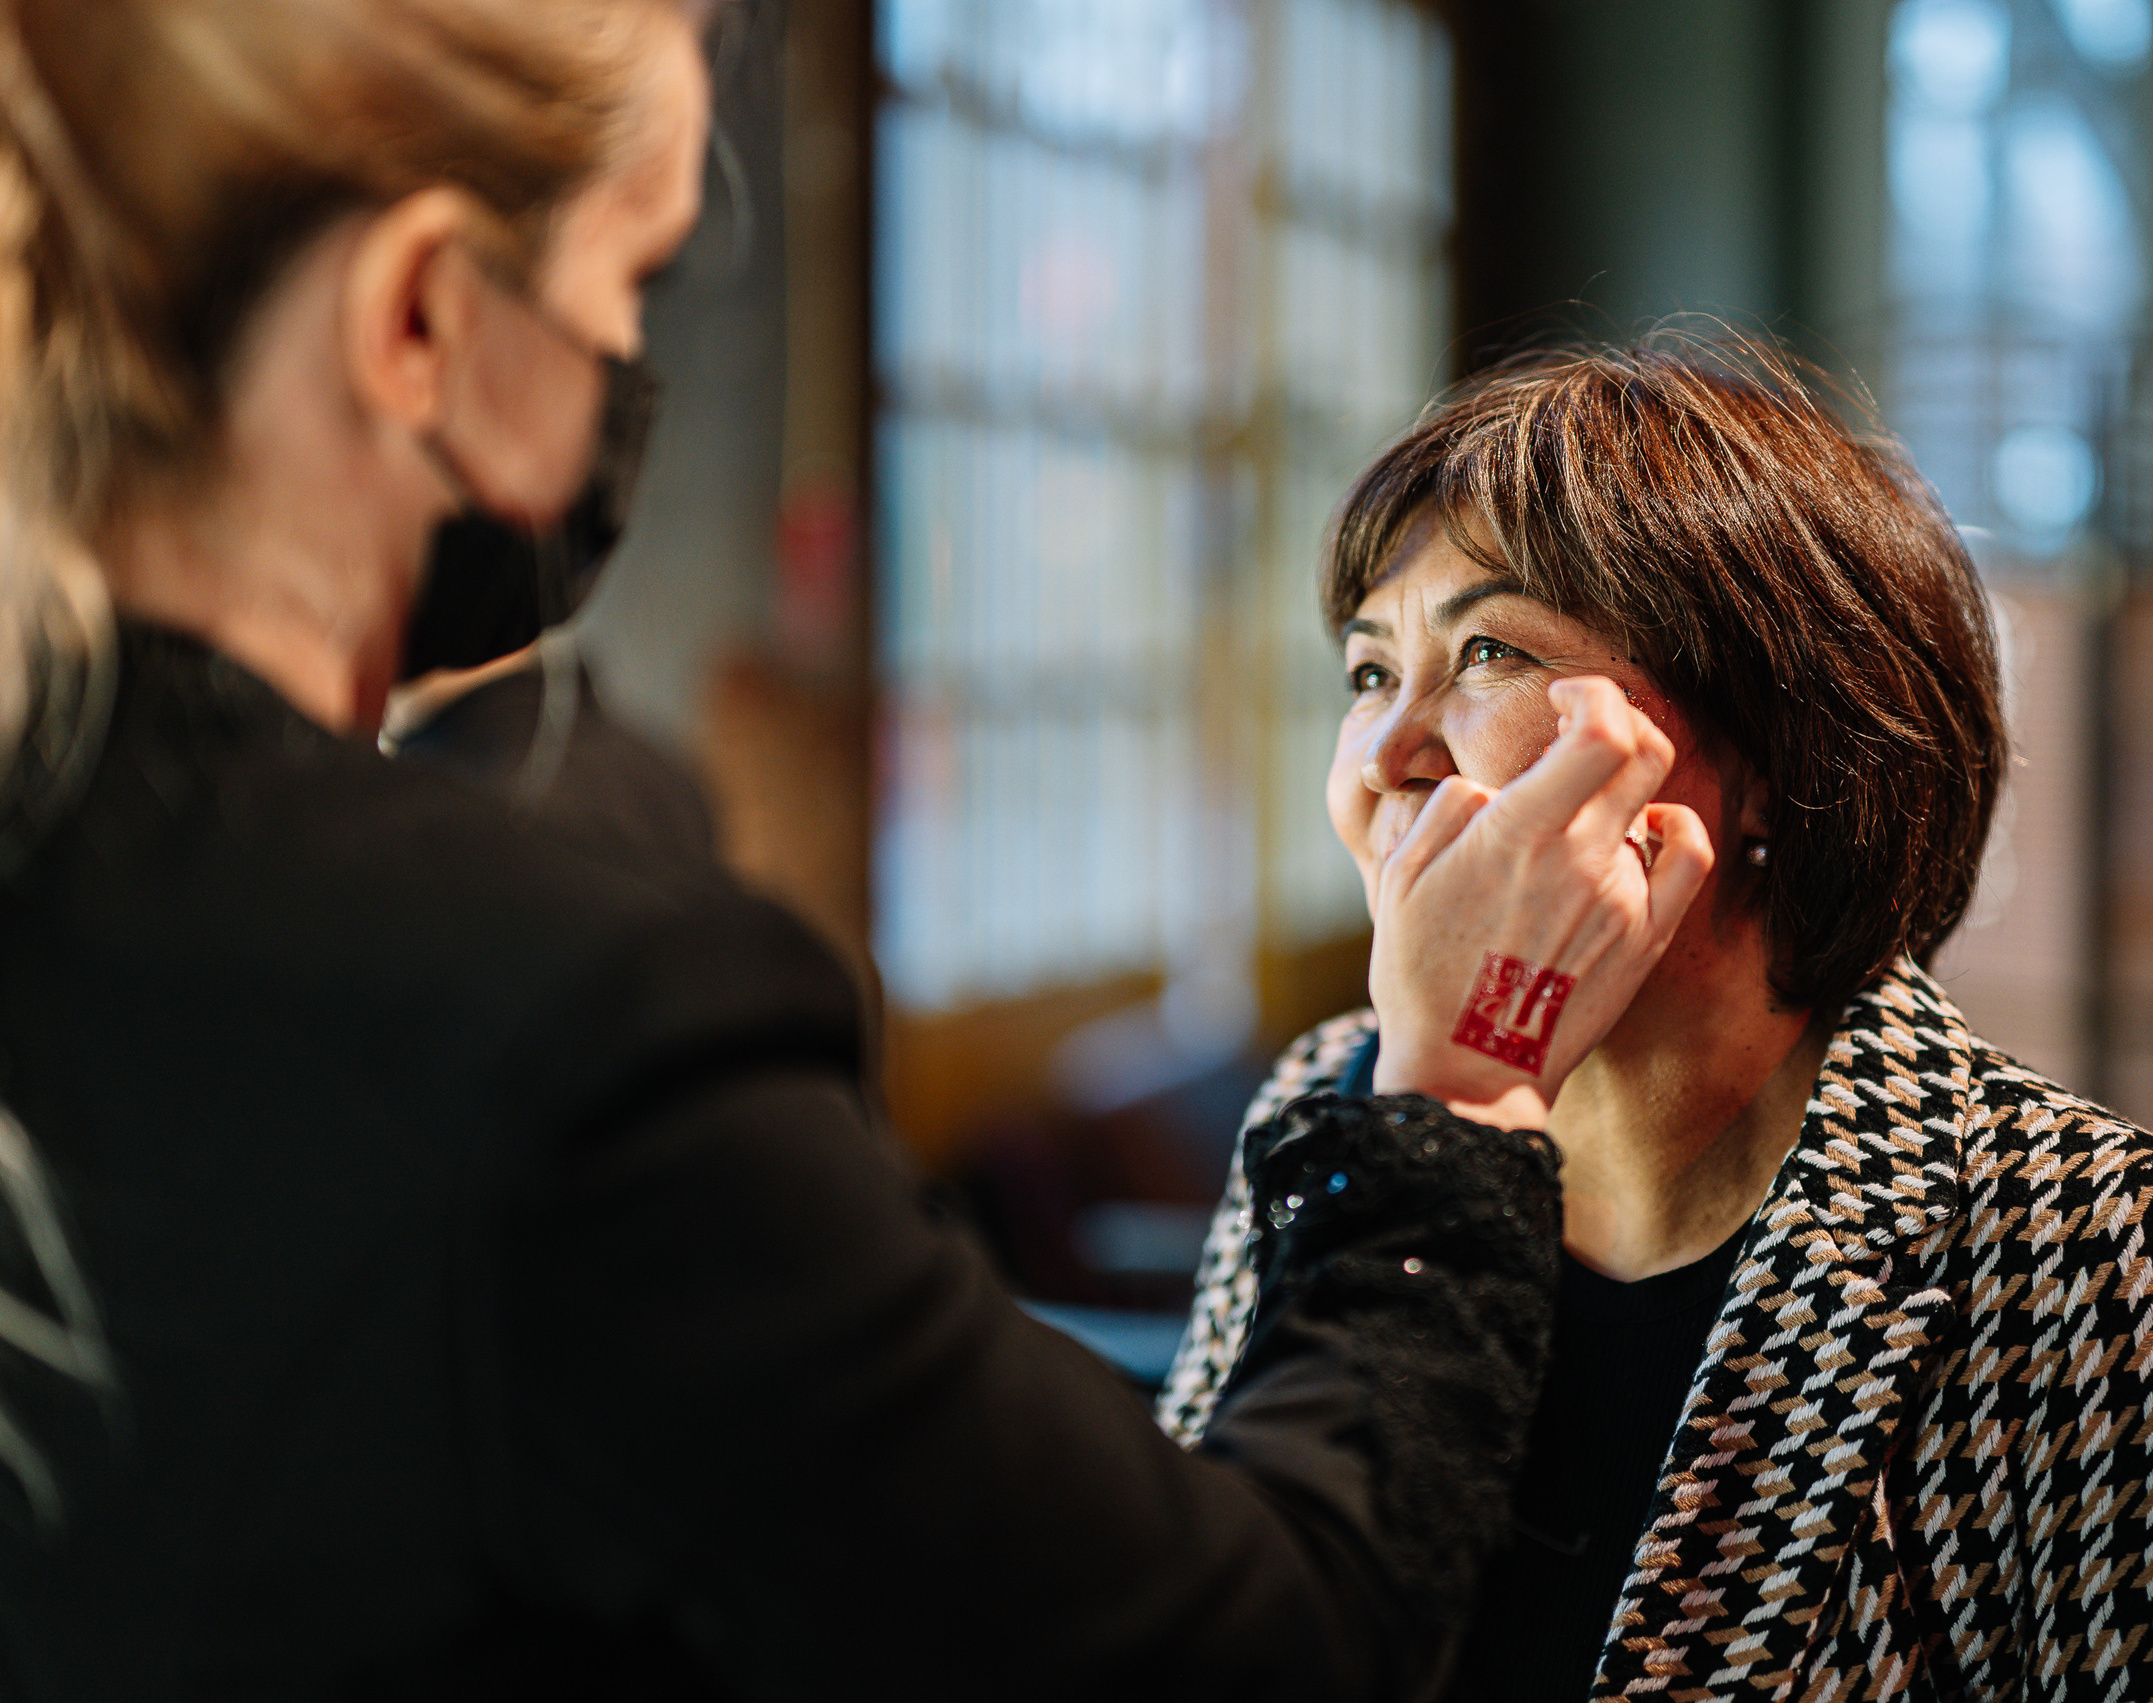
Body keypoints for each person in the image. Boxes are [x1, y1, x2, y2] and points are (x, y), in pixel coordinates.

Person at [0, 2, 1720, 1696]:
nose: (624, 367)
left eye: (1490, 651)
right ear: (421, 320)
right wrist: (1462, 1091)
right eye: (629, 280)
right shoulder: (568, 1023)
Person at [1160, 336, 2153, 1701]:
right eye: (1370, 671)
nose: (1386, 757)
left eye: (1490, 652)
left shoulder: (2078, 1234)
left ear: (1770, 759)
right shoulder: (1336, 1104)